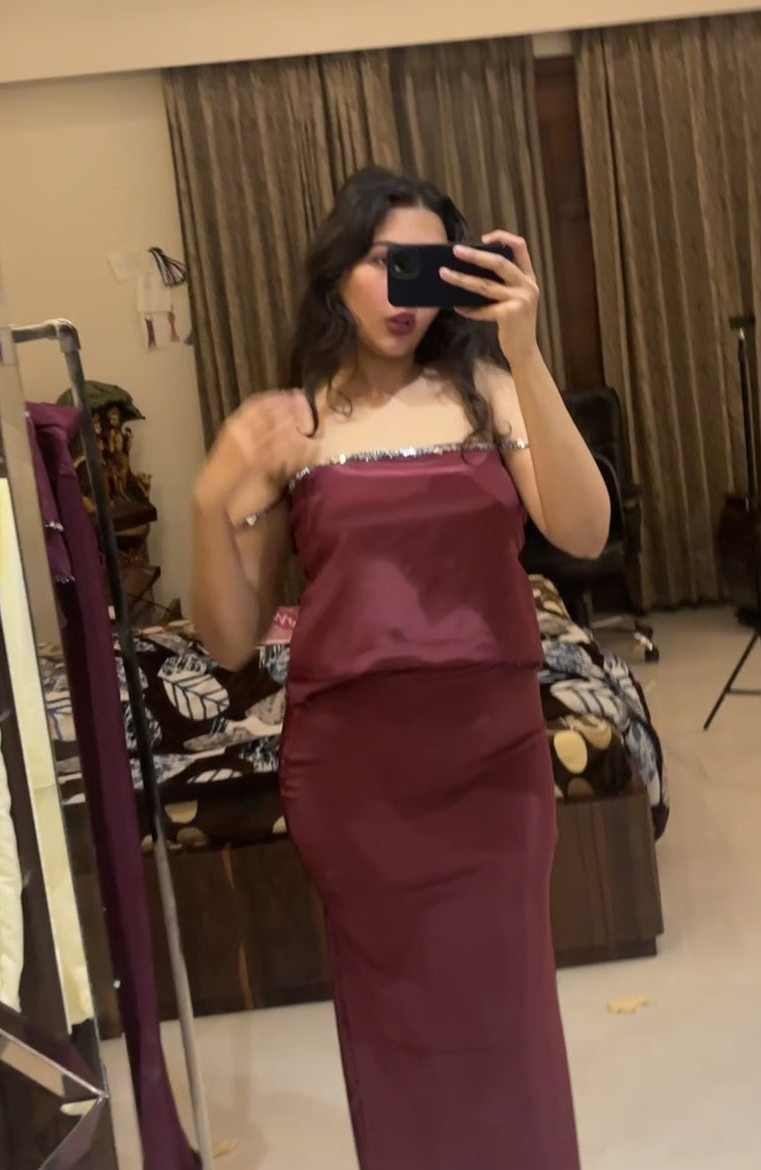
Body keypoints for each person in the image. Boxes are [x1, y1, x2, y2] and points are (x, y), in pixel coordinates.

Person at [191, 165, 609, 1170]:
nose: (403, 293)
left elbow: (585, 531)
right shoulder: (294, 424)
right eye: (384, 263)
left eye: (425, 268)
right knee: (396, 1037)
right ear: (338, 272)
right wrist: (212, 500)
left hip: (496, 767)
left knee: (511, 1019)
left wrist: (526, 350)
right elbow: (231, 640)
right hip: (357, 780)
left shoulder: (492, 393)